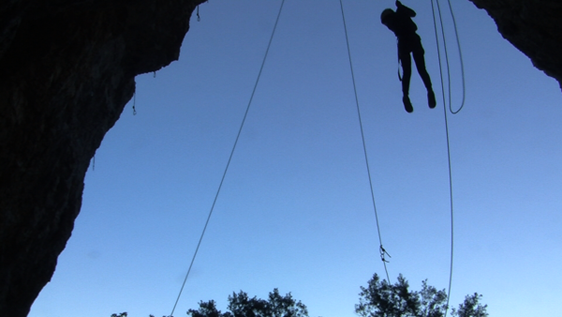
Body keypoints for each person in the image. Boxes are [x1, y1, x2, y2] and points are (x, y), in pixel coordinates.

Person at [381, 1, 436, 113]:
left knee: (411, 71)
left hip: (406, 41)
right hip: (409, 40)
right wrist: (401, 7)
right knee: (418, 69)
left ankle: (411, 95)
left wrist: (401, 7)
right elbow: (413, 14)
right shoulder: (398, 15)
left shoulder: (396, 17)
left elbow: (412, 14)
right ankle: (426, 91)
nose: (388, 24)